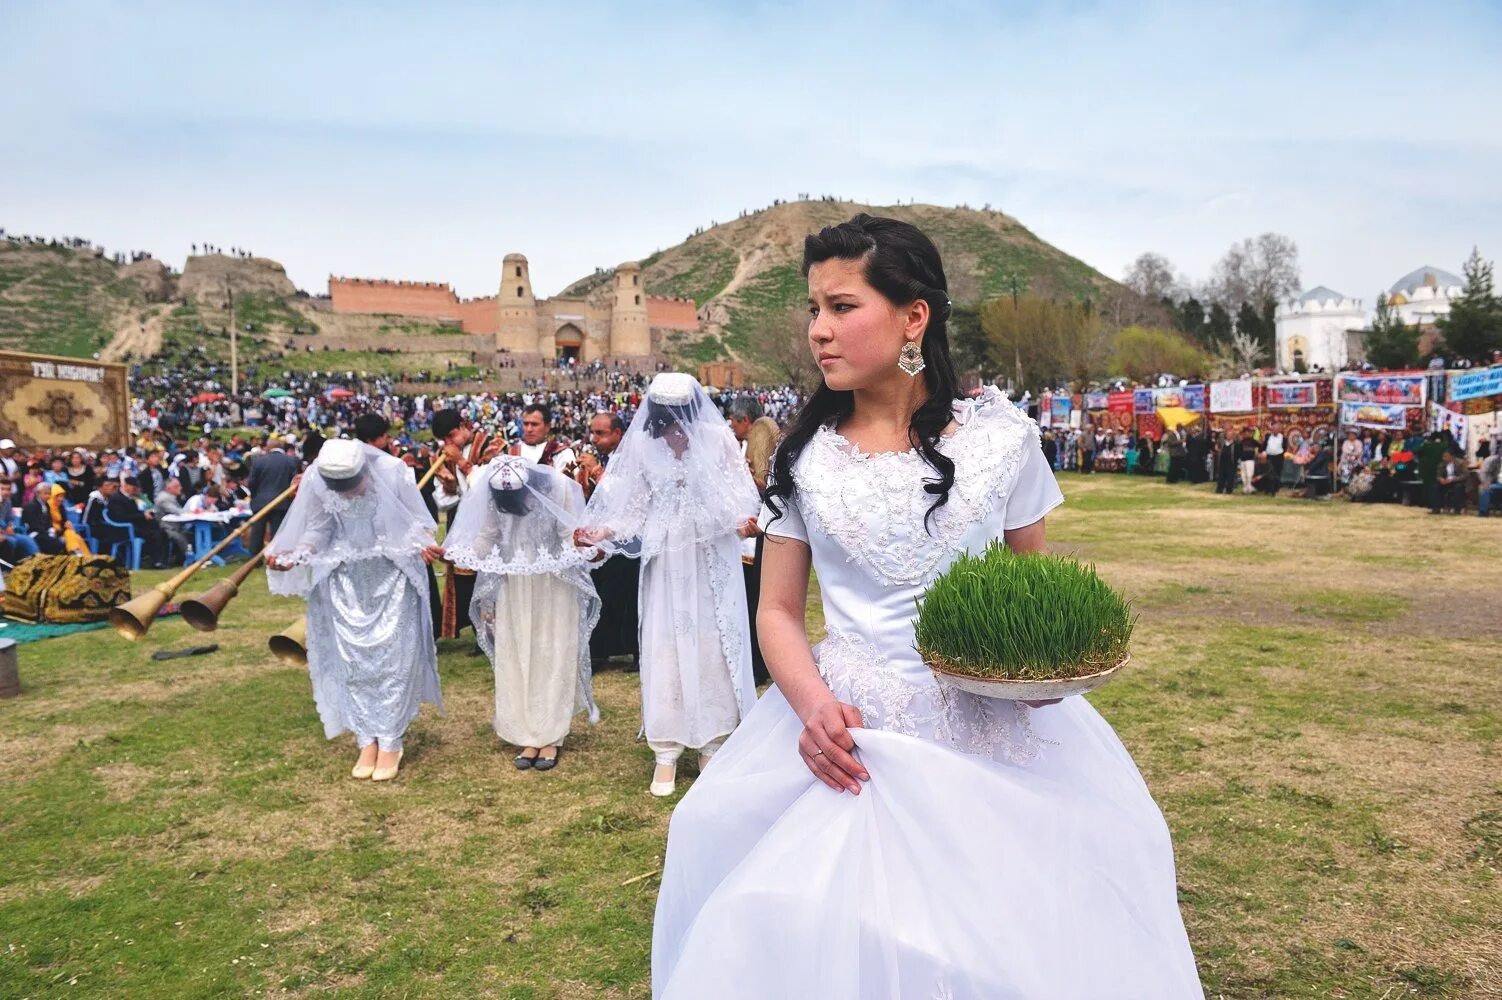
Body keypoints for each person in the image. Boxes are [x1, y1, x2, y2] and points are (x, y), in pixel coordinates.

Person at [651, 214, 1201, 998]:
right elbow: (777, 610)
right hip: (851, 729)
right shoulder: (801, 459)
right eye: (814, 310)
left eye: (842, 308)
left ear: (914, 317)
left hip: (994, 728)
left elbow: (1030, 588)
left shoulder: (1001, 440)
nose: (818, 331)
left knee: (1012, 931)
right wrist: (812, 707)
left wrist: (1044, 675)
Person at [576, 372, 761, 798]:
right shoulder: (643, 446)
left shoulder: (718, 441)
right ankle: (666, 747)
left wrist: (745, 524)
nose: (675, 423)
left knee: (711, 642)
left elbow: (740, 497)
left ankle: (713, 741)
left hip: (710, 555)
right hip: (665, 558)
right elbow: (634, 504)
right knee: (664, 645)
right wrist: (604, 530)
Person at [267, 439, 445, 782]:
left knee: (394, 659)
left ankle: (391, 739)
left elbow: (420, 522)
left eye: (352, 485)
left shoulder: (394, 473)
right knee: (354, 662)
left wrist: (424, 544)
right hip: (346, 582)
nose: (348, 495)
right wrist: (296, 554)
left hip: (393, 578)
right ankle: (367, 738)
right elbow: (318, 529)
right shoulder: (316, 480)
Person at [445, 455, 600, 772]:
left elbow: (566, 534)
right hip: (515, 587)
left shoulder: (556, 487)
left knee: (552, 653)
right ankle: (527, 732)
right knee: (518, 656)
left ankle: (551, 735)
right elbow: (487, 535)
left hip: (553, 585)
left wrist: (585, 547)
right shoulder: (494, 489)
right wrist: (458, 554)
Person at [576, 412, 640, 672]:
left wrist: (595, 470)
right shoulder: (607, 457)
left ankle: (635, 651)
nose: (595, 439)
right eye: (593, 432)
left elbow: (624, 496)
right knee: (603, 593)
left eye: (601, 433)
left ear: (618, 433)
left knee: (628, 597)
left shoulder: (632, 459)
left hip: (630, 535)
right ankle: (602, 650)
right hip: (604, 537)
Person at [726, 396, 781, 686]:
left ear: (746, 421)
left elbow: (769, 491)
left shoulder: (763, 441)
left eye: (734, 421)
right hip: (752, 533)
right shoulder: (744, 445)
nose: (732, 426)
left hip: (761, 536)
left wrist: (753, 480)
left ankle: (760, 665)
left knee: (759, 601)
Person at [246, 435, 300, 553]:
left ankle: (255, 557)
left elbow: (251, 482)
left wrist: (255, 496)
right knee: (278, 530)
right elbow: (295, 482)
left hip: (260, 500)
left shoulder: (259, 461)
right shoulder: (291, 461)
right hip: (282, 501)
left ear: (268, 447)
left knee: (257, 531)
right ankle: (276, 554)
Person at [509, 404, 576, 471]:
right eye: (526, 424)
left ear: (547, 427)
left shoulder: (562, 454)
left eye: (534, 424)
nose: (529, 429)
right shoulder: (511, 453)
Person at [1478, 449, 1502, 516]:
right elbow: (1484, 473)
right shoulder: (1492, 460)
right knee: (1483, 488)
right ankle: (1483, 512)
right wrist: (1485, 482)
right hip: (1497, 483)